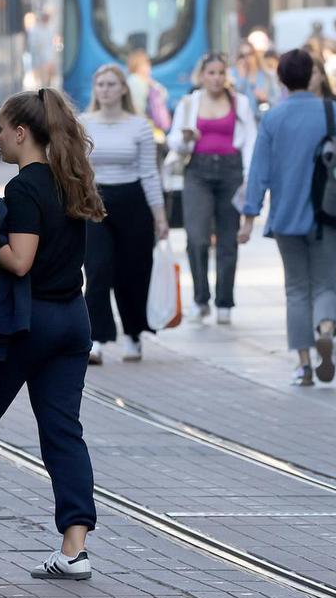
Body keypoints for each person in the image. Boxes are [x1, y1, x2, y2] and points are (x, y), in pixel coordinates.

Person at [0, 88, 106, 581]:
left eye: (1, 129)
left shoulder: (26, 187)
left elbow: (20, 260)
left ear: (22, 133)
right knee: (63, 432)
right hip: (72, 320)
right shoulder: (70, 179)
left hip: (28, 322)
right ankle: (74, 550)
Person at [240, 49, 336, 386]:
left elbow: (259, 171)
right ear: (313, 75)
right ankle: (326, 328)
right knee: (324, 283)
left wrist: (250, 215)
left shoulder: (274, 118)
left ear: (280, 79)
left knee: (296, 289)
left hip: (287, 215)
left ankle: (304, 365)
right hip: (329, 213)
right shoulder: (334, 112)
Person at [80, 65, 168, 364]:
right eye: (100, 84)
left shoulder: (139, 126)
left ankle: (133, 334)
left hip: (133, 201)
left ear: (123, 89)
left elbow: (149, 173)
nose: (104, 89)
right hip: (95, 204)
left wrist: (160, 215)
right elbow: (77, 172)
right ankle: (96, 338)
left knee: (133, 272)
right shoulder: (83, 124)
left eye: (110, 84)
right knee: (98, 270)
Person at [167, 53, 256, 324]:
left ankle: (225, 301)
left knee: (228, 238)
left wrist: (249, 178)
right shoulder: (189, 103)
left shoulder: (239, 103)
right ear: (202, 76)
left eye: (220, 73)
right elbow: (174, 141)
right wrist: (185, 138)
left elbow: (251, 140)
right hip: (198, 171)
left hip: (230, 171)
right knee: (197, 237)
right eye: (211, 73)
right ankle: (200, 299)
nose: (216, 78)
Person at [125, 49, 172, 133]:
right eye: (146, 64)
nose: (149, 67)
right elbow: (138, 108)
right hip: (141, 127)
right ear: (138, 66)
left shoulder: (145, 81)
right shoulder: (135, 81)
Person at [231, 41, 280, 120]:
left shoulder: (266, 75)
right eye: (242, 56)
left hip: (262, 120)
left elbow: (277, 100)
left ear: (255, 55)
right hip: (241, 122)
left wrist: (266, 98)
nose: (246, 58)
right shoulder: (233, 74)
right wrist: (241, 78)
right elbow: (233, 99)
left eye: (249, 54)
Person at [27, 9, 58, 87]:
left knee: (48, 83)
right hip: (40, 62)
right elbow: (33, 46)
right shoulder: (35, 30)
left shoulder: (49, 29)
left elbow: (51, 46)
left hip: (48, 61)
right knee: (42, 83)